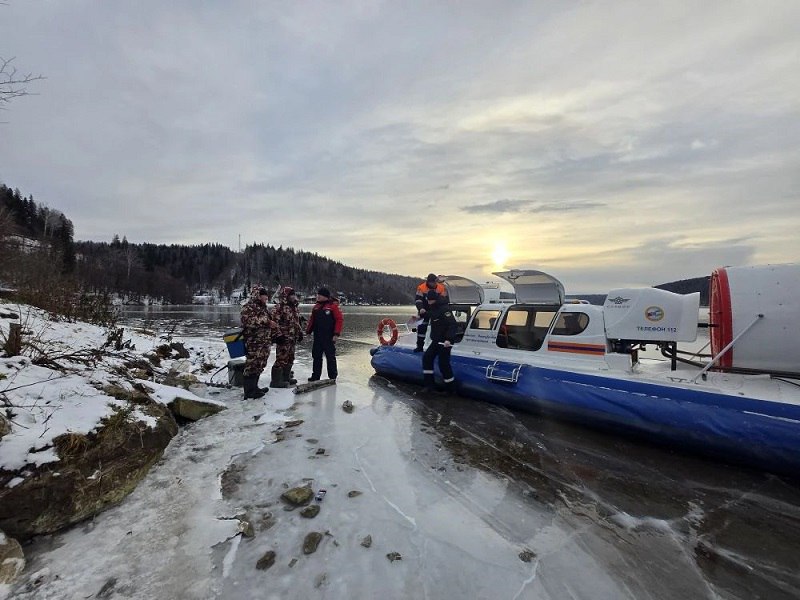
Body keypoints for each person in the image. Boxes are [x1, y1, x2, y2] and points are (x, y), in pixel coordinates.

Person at [240, 285, 278, 399]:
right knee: (252, 365)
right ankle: (249, 392)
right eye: (264, 297)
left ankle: (255, 388)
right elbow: (248, 322)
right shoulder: (248, 307)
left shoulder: (263, 308)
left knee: (260, 365)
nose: (266, 299)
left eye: (267, 298)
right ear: (258, 296)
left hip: (264, 342)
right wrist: (267, 321)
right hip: (254, 342)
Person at [422, 289, 458, 395]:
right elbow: (433, 315)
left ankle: (450, 389)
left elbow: (452, 325)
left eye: (430, 301)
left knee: (444, 364)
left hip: (445, 342)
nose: (428, 302)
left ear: (434, 300)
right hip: (436, 340)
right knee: (427, 358)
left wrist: (448, 339)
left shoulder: (445, 309)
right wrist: (423, 314)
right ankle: (429, 385)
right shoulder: (433, 308)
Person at [305, 287, 343, 381]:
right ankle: (316, 375)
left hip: (329, 337)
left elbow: (339, 320)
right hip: (317, 336)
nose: (317, 296)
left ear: (325, 296)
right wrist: (308, 332)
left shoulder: (333, 306)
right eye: (317, 295)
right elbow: (312, 321)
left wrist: (336, 334)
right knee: (316, 356)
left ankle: (332, 376)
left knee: (330, 357)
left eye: (319, 295)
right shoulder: (316, 307)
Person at [270, 286, 303, 388]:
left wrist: (300, 332)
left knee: (290, 358)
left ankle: (285, 377)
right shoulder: (279, 307)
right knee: (281, 358)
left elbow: (296, 322)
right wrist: (278, 335)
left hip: (292, 338)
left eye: (294, 295)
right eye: (291, 295)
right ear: (286, 296)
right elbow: (273, 323)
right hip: (283, 338)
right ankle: (276, 381)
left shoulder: (294, 307)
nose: (293, 297)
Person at [414, 273, 448, 352]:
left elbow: (445, 300)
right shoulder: (421, 288)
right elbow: (418, 300)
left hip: (436, 311)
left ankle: (437, 347)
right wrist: (421, 308)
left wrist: (438, 307)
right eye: (431, 282)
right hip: (424, 310)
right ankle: (419, 347)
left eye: (434, 282)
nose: (433, 284)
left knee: (437, 329)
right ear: (428, 282)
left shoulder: (441, 288)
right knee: (421, 329)